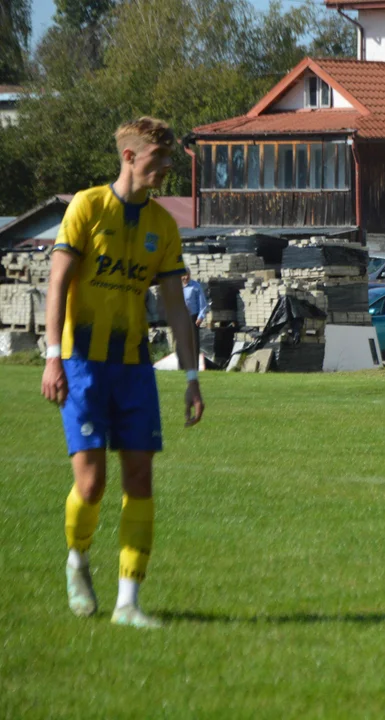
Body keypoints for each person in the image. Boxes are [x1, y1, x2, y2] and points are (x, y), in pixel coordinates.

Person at [40, 116, 205, 629]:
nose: (167, 169)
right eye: (159, 159)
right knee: (90, 486)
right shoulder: (87, 207)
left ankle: (128, 603)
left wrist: (192, 377)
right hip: (82, 364)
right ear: (131, 157)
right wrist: (51, 355)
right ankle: (77, 560)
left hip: (134, 367)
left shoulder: (163, 226)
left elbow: (176, 307)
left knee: (140, 478)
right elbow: (59, 282)